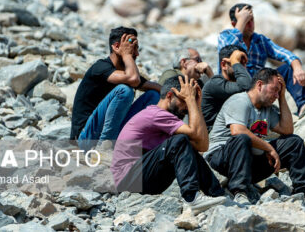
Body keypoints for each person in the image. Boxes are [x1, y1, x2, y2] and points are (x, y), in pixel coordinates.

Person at [111, 76, 226, 214]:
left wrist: (196, 105)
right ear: (170, 96)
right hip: (127, 180)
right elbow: (195, 133)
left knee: (187, 147)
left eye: (190, 102)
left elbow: (202, 146)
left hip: (142, 178)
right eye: (184, 101)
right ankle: (192, 198)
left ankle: (217, 194)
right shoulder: (156, 114)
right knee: (180, 141)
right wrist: (191, 101)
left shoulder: (168, 122)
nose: (187, 108)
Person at [205, 68, 305, 205]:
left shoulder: (266, 108)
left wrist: (282, 97)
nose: (275, 94)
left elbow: (287, 130)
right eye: (274, 90)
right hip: (223, 157)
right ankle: (240, 192)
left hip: (250, 162)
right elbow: (237, 131)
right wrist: (268, 148)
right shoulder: (239, 101)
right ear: (260, 85)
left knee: (294, 142)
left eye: (278, 91)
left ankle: (304, 191)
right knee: (242, 139)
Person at [217, 3, 305, 117]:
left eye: (252, 20)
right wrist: (241, 21)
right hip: (235, 87)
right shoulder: (225, 36)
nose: (250, 25)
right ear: (234, 24)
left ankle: (304, 105)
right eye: (246, 21)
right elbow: (228, 49)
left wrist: (297, 68)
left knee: (288, 68)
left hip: (259, 86)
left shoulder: (260, 40)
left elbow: (285, 54)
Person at [70, 26, 161, 150]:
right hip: (86, 139)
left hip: (112, 133)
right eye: (132, 48)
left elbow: (157, 88)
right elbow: (133, 79)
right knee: (124, 91)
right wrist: (127, 55)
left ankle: (136, 145)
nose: (136, 54)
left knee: (153, 95)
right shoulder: (100, 67)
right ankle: (104, 149)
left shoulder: (125, 74)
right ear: (117, 47)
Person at [201, 45, 251, 131]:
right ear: (224, 65)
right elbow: (246, 87)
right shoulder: (215, 83)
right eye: (238, 64)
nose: (242, 69)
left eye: (244, 64)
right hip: (213, 138)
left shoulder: (238, 83)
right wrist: (235, 61)